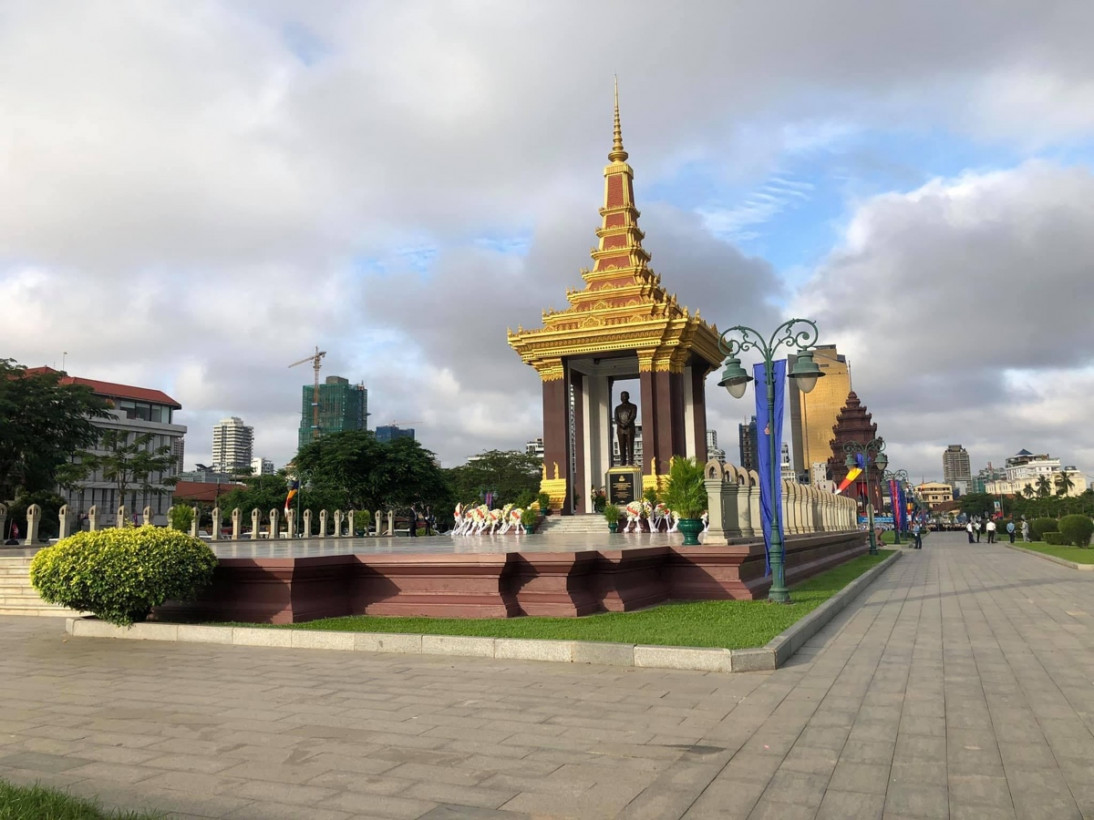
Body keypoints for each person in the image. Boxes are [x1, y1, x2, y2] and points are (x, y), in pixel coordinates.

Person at [614, 391, 638, 466]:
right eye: (622, 396)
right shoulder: (617, 408)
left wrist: (626, 423)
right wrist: (621, 424)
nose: (623, 398)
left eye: (625, 396)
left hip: (629, 429)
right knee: (622, 446)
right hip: (620, 430)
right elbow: (616, 419)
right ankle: (622, 461)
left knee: (630, 445)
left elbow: (633, 416)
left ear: (628, 397)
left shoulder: (633, 406)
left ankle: (630, 461)